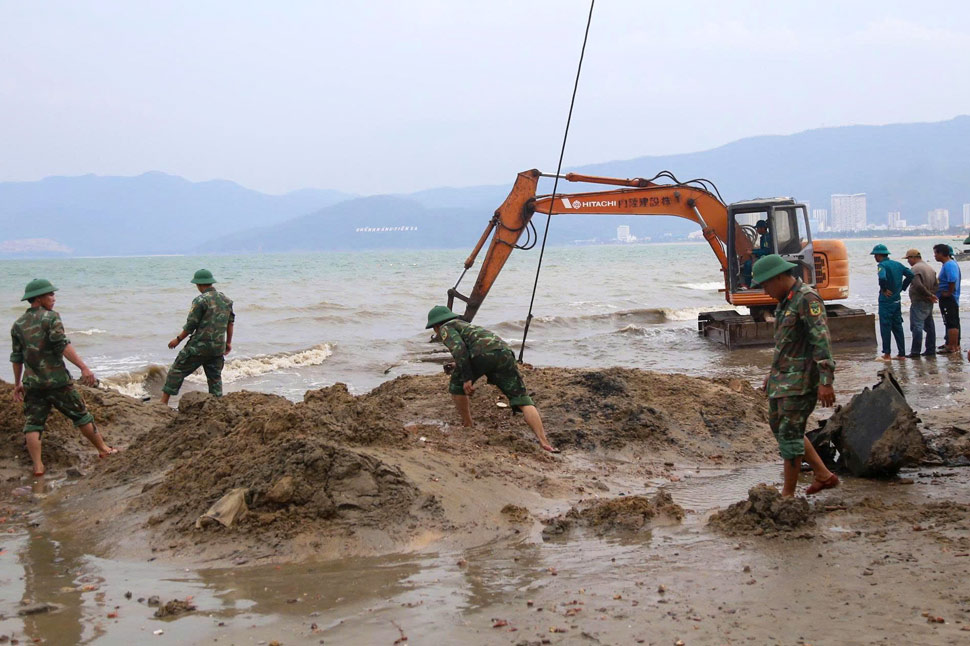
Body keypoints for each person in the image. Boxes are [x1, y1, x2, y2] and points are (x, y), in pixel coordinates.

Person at [9, 279, 117, 477]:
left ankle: (38, 468)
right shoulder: (51, 318)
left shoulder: (17, 325)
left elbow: (16, 358)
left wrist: (17, 384)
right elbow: (62, 346)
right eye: (50, 295)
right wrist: (84, 367)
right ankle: (103, 449)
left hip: (32, 384)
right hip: (57, 381)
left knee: (33, 424)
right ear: (39, 298)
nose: (54, 298)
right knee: (81, 414)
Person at [752, 255, 838, 497]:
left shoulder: (807, 299)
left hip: (801, 382)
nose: (765, 291)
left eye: (766, 284)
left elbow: (821, 341)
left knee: (790, 434)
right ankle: (823, 475)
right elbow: (785, 344)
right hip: (783, 379)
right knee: (780, 428)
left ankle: (787, 495)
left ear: (779, 277)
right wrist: (772, 373)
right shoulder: (785, 301)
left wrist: (826, 381)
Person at [425, 305, 557, 453]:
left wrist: (467, 378)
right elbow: (482, 346)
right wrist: (458, 365)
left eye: (433, 328)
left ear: (436, 325)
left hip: (482, 355)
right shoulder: (466, 326)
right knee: (521, 398)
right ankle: (543, 441)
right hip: (504, 352)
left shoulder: (445, 328)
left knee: (456, 386)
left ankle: (468, 424)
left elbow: (460, 350)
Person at [160, 269, 235, 404]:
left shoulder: (200, 300)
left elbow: (191, 325)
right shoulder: (227, 300)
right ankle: (217, 405)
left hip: (199, 346)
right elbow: (230, 323)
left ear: (199, 285)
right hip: (217, 347)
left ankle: (163, 403)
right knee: (215, 378)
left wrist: (177, 340)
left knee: (176, 370)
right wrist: (228, 343)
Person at [871, 244, 913, 360]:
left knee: (885, 327)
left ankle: (887, 354)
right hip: (896, 300)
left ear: (879, 255)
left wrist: (884, 289)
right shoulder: (898, 264)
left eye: (875, 255)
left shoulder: (882, 265)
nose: (875, 258)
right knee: (898, 326)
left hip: (886, 301)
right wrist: (902, 287)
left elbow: (882, 277)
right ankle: (901, 353)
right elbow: (910, 274)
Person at [903, 249, 938, 357]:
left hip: (920, 301)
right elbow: (936, 284)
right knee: (929, 326)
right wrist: (932, 294)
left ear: (913, 257)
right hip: (928, 301)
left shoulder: (915, 269)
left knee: (917, 326)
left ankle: (915, 351)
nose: (908, 261)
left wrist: (928, 295)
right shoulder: (929, 268)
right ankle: (931, 349)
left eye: (908, 258)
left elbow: (918, 285)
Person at [933, 244, 961, 354]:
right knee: (951, 321)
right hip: (949, 298)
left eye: (936, 253)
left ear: (941, 253)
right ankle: (952, 343)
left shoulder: (949, 265)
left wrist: (948, 292)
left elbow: (952, 279)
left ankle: (952, 346)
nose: (934, 255)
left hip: (949, 298)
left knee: (951, 322)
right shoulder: (948, 264)